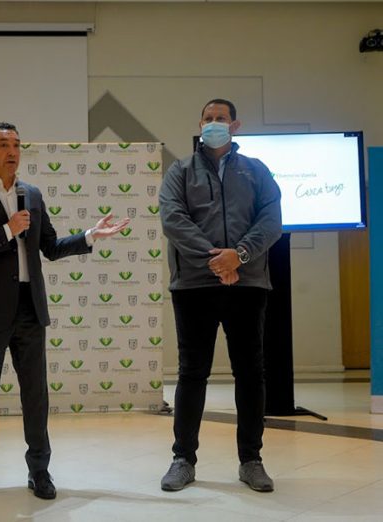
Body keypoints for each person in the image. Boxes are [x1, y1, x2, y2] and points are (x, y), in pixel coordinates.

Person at [0, 122, 130, 501]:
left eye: (17, 145)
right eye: (3, 145)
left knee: (36, 395)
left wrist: (90, 236)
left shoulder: (31, 194)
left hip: (30, 308)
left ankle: (40, 471)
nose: (12, 152)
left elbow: (49, 246)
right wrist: (6, 230)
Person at [159, 99, 282, 493]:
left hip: (247, 284)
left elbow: (271, 219)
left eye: (221, 119)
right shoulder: (180, 171)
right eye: (208, 119)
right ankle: (183, 459)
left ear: (235, 125)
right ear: (200, 124)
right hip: (194, 286)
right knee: (192, 373)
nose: (214, 124)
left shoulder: (256, 170)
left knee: (250, 373)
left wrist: (239, 255)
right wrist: (217, 260)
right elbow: (173, 220)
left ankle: (251, 461)